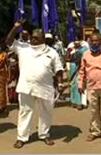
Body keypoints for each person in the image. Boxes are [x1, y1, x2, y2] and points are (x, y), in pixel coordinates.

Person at [6, 21, 63, 149]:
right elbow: (8, 41)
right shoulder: (23, 48)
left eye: (36, 38)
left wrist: (60, 83)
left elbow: (58, 69)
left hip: (45, 87)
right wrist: (15, 28)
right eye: (32, 37)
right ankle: (22, 137)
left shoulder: (52, 52)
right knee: (25, 112)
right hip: (26, 86)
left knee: (46, 112)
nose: (33, 39)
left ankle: (44, 134)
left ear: (43, 39)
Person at [66, 40, 88, 110]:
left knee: (79, 85)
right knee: (73, 85)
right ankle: (73, 102)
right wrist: (68, 52)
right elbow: (67, 59)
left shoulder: (84, 48)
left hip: (80, 68)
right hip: (73, 67)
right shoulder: (71, 48)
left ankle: (79, 103)